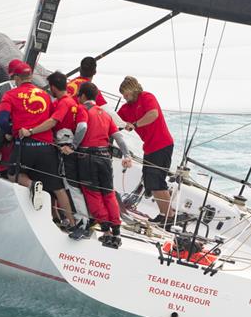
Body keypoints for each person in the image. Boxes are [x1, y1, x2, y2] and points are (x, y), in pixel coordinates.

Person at [0, 61, 74, 226]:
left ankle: (32, 185)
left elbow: (2, 120)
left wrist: (10, 133)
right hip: (47, 147)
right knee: (58, 188)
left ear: (17, 77)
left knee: (13, 174)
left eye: (13, 77)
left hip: (25, 146)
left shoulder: (10, 95)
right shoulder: (45, 95)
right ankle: (72, 223)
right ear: (30, 76)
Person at [26, 71, 90, 229]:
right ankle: (58, 217)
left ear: (53, 87)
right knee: (58, 184)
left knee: (65, 185)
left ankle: (77, 221)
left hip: (63, 147)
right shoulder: (71, 102)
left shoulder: (64, 103)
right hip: (61, 146)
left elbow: (54, 122)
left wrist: (31, 131)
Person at [72, 82, 131, 246]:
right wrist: (127, 154)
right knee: (108, 193)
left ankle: (105, 230)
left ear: (83, 96)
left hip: (88, 157)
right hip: (105, 157)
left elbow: (82, 126)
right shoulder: (106, 114)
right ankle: (116, 231)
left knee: (93, 194)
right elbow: (119, 138)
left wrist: (73, 146)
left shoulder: (84, 109)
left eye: (78, 95)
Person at [117, 76, 175, 224]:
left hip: (162, 144)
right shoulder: (126, 108)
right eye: (123, 96)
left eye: (127, 94)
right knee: (151, 182)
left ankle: (169, 216)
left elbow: (153, 115)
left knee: (157, 181)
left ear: (134, 90)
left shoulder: (147, 97)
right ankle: (165, 214)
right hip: (149, 147)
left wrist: (135, 124)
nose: (126, 98)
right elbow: (115, 121)